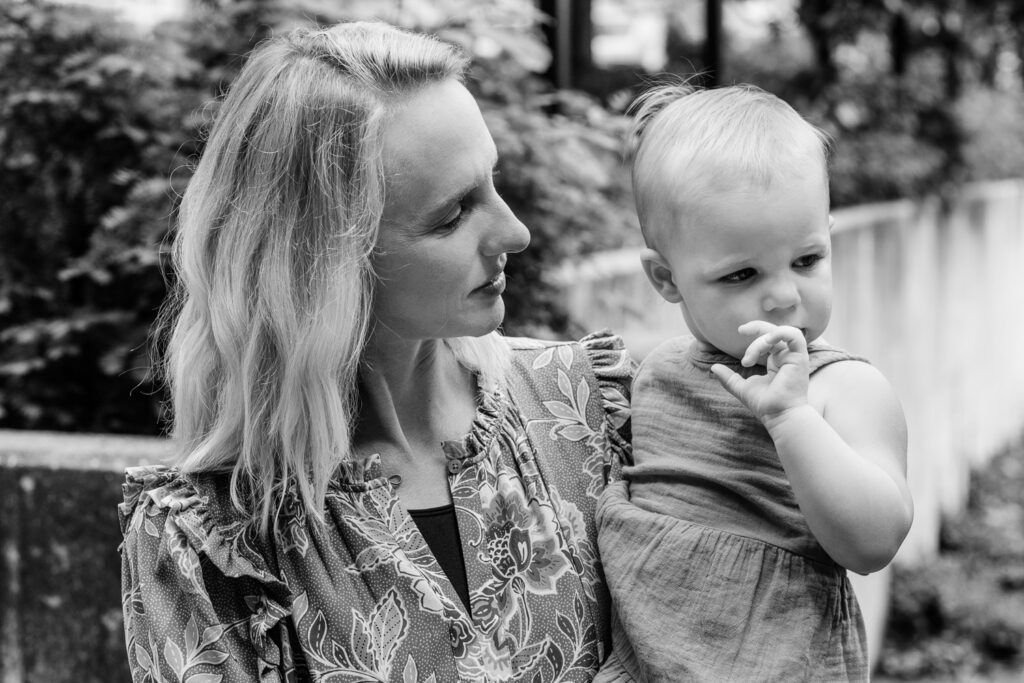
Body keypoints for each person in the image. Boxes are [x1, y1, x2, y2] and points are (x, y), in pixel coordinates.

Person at [118, 21, 634, 683]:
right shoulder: (209, 538)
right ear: (322, 262)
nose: (516, 231)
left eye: (493, 183)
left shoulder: (587, 410)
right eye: (453, 214)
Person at [594, 84, 914, 682]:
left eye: (807, 260)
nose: (785, 295)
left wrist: (792, 420)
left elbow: (874, 542)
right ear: (666, 279)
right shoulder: (656, 373)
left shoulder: (841, 387)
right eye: (742, 273)